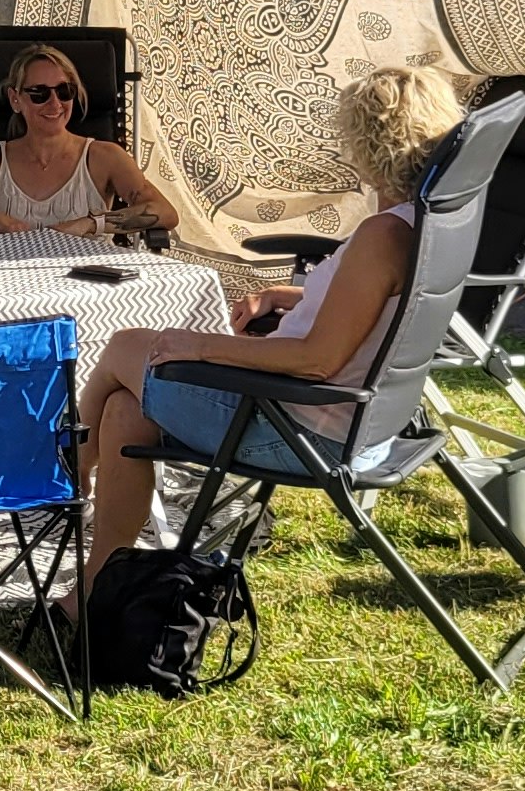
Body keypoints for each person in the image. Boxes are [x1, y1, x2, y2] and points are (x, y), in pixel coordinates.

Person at [69, 66, 463, 592]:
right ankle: (95, 588)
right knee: (123, 413)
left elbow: (315, 361)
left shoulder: (383, 235)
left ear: (368, 147)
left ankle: (69, 479)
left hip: (299, 428)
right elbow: (379, 308)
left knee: (127, 345)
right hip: (357, 422)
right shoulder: (430, 221)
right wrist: (293, 296)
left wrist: (204, 346)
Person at [0, 43, 180, 242]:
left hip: (83, 285)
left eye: (64, 91)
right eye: (39, 93)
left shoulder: (103, 157)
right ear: (15, 99)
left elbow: (165, 212)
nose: (55, 103)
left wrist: (92, 223)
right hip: (1, 284)